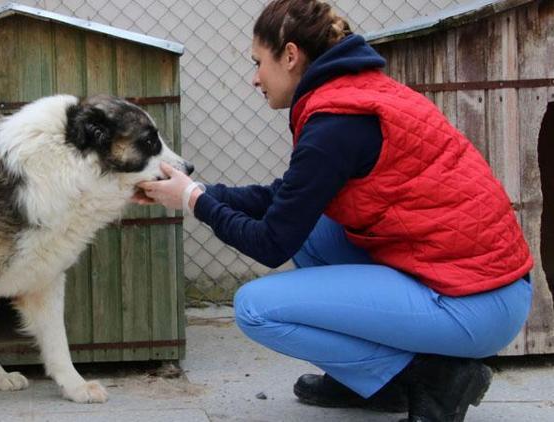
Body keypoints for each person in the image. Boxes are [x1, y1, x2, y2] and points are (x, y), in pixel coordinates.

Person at [133, 0, 533, 420]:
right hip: (473, 282)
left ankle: (426, 378)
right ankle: (367, 383)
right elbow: (287, 197)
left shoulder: (338, 122)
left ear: (290, 56)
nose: (254, 79)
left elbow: (271, 241)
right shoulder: (355, 93)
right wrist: (197, 190)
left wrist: (195, 201)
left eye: (258, 62)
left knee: (255, 308)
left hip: (475, 305)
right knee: (313, 230)